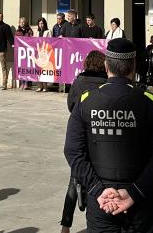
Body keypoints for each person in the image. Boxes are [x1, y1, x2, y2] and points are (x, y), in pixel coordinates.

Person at [64, 38, 153, 232]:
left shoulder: (86, 102)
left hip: (102, 201)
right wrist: (134, 192)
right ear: (133, 66)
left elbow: (73, 152)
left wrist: (98, 190)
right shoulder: (149, 103)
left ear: (106, 66)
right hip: (141, 200)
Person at [60, 51, 107, 233]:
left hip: (80, 134)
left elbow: (71, 105)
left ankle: (65, 225)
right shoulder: (105, 82)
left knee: (74, 180)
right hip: (100, 136)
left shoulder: (79, 81)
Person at [15, 17, 35, 90]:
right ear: (19, 23)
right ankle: (22, 83)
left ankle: (26, 83)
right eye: (21, 22)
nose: (22, 23)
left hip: (28, 52)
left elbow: (32, 39)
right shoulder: (17, 31)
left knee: (27, 68)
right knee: (21, 68)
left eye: (24, 22)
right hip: (21, 53)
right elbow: (16, 41)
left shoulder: (29, 30)